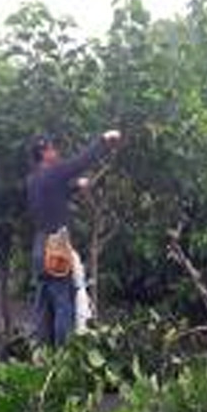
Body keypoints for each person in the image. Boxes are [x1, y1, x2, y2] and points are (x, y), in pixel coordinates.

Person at [26, 129, 122, 345]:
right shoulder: (56, 171)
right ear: (44, 152)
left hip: (39, 248)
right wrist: (104, 140)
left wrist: (76, 186)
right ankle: (63, 357)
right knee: (63, 303)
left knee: (43, 303)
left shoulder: (33, 180)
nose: (56, 152)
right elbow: (81, 161)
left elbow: (54, 193)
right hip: (57, 246)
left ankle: (42, 354)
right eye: (52, 148)